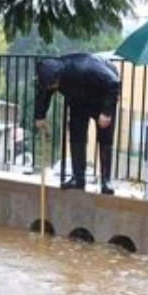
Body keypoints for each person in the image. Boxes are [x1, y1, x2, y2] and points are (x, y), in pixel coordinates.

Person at [34, 53, 121, 194]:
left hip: (102, 95)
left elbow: (113, 82)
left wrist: (106, 112)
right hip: (78, 99)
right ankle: (78, 178)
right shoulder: (49, 76)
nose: (52, 88)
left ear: (59, 77)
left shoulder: (85, 67)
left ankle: (106, 181)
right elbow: (43, 93)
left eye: (53, 85)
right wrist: (40, 116)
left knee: (105, 137)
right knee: (76, 134)